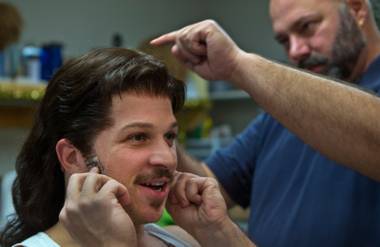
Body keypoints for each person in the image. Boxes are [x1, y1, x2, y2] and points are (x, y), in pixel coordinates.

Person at [151, 0, 380, 246]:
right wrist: (158, 128)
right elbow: (206, 184)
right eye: (284, 40)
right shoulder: (282, 112)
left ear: (357, 9)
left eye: (306, 27)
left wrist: (237, 64)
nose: (295, 50)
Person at [0, 47, 254, 247]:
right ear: (72, 157)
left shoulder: (184, 239)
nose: (166, 158)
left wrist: (218, 231)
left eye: (169, 136)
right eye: (138, 137)